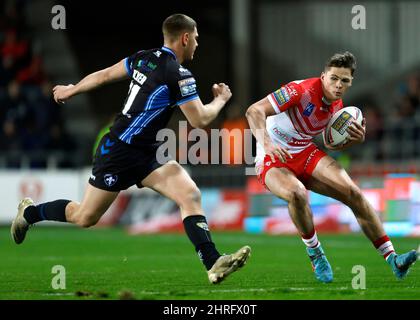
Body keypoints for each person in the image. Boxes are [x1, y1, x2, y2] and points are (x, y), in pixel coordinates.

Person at [11, 13, 251, 284]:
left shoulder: (143, 58)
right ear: (185, 38)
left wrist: (72, 89)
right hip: (119, 151)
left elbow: (104, 75)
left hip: (147, 152)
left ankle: (213, 262)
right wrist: (221, 100)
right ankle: (29, 213)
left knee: (189, 194)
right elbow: (200, 119)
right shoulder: (179, 74)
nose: (197, 44)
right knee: (84, 217)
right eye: (195, 38)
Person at [245, 51, 418, 283]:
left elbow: (328, 143)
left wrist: (352, 141)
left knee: (354, 194)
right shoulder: (300, 90)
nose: (338, 85)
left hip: (304, 152)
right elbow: (253, 111)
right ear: (323, 76)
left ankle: (393, 259)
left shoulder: (337, 107)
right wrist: (266, 143)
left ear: (350, 82)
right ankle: (316, 254)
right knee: (297, 194)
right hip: (272, 157)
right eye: (334, 78)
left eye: (344, 81)